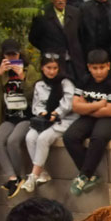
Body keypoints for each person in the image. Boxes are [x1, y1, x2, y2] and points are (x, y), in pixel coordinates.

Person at [65, 49, 111, 195]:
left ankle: (83, 176)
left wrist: (85, 107)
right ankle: (91, 176)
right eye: (95, 68)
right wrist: (98, 105)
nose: (98, 72)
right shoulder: (84, 80)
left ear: (108, 65)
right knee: (70, 136)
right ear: (89, 67)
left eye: (102, 67)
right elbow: (75, 106)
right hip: (94, 114)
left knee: (98, 136)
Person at [0, 39, 38, 198]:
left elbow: (35, 93)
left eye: (14, 54)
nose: (11, 58)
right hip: (9, 117)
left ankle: (20, 175)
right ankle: (12, 177)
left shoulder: (29, 70)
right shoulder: (1, 72)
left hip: (27, 116)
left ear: (19, 54)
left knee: (13, 141)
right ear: (3, 56)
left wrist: (22, 76)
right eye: (8, 55)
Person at [23, 53, 78, 193]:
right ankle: (42, 173)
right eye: (49, 67)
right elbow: (36, 104)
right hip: (45, 120)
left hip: (64, 119)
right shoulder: (39, 85)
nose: (52, 71)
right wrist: (42, 113)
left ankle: (33, 176)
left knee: (43, 138)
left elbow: (69, 102)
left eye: (55, 68)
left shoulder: (65, 82)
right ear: (42, 68)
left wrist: (57, 113)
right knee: (30, 137)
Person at [29, 0, 86, 84]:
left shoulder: (75, 13)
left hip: (75, 61)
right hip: (54, 61)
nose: (60, 0)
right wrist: (48, 49)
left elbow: (82, 35)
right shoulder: (42, 15)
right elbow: (33, 38)